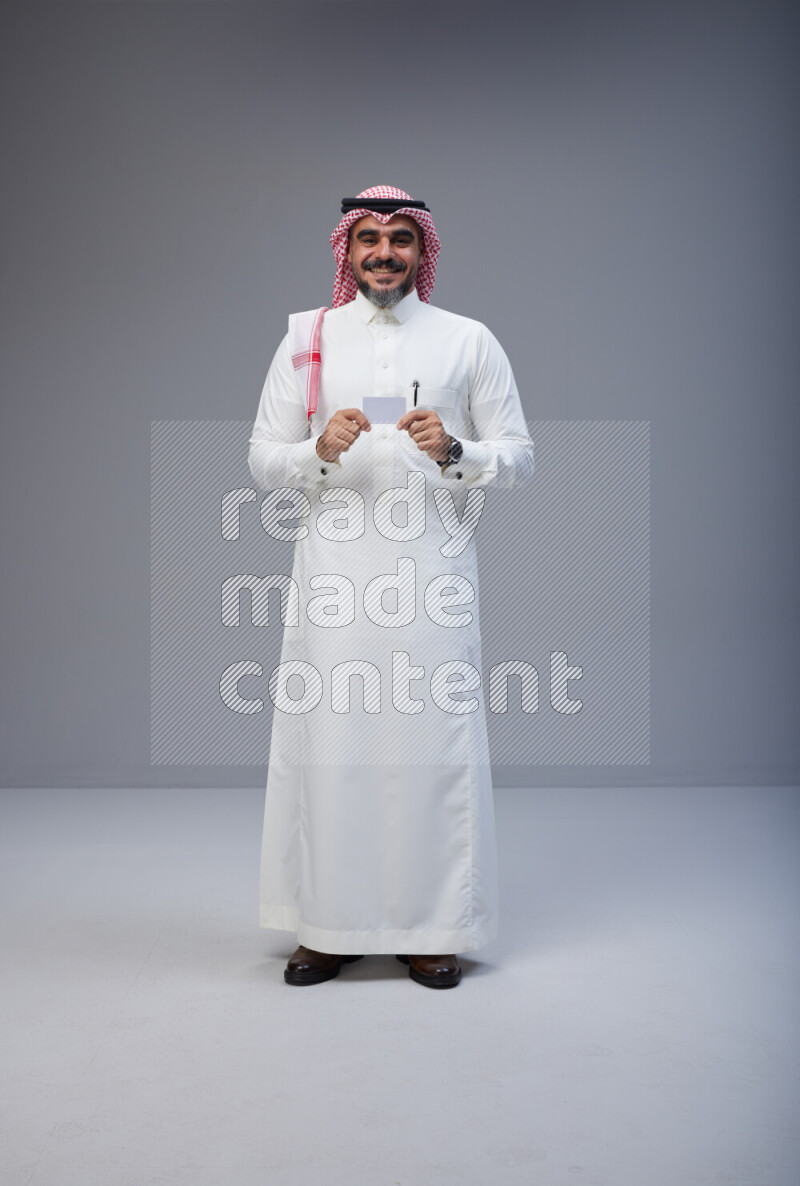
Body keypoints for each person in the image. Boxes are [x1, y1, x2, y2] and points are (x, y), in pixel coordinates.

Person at [247, 185, 534, 988]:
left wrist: (456, 451)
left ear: (422, 250)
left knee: (429, 751)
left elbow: (520, 456)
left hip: (431, 581)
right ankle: (327, 927)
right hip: (334, 584)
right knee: (332, 748)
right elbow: (262, 460)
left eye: (400, 238)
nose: (384, 252)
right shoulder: (307, 338)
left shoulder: (467, 340)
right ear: (347, 249)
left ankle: (432, 928)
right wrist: (316, 451)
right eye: (368, 238)